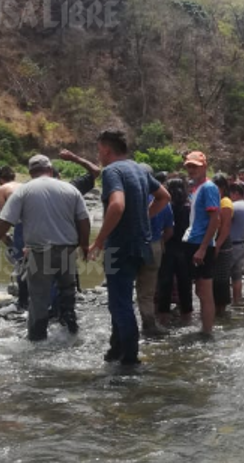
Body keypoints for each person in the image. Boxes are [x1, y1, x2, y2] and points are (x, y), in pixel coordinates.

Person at [0, 155, 90, 341]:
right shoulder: (70, 189)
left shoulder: (24, 191)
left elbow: (5, 220)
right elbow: (84, 220)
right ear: (50, 170)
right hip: (67, 251)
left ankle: (37, 340)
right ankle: (71, 333)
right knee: (67, 292)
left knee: (39, 298)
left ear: (30, 173)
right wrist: (84, 245)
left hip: (40, 252)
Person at [90, 130, 170, 365]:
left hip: (120, 247)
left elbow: (116, 205)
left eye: (99, 151)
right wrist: (144, 216)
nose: (99, 155)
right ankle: (116, 349)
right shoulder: (139, 169)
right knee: (120, 300)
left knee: (120, 302)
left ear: (106, 149)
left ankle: (130, 358)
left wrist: (100, 239)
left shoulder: (112, 171)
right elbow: (164, 197)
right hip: (142, 245)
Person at [183, 151, 221, 336]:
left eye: (195, 166)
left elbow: (215, 219)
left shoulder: (209, 188)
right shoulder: (195, 188)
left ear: (204, 167)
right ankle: (204, 328)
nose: (191, 170)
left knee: (205, 292)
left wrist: (203, 248)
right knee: (199, 290)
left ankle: (207, 332)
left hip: (201, 244)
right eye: (189, 166)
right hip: (193, 241)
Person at [136, 164, 173, 338]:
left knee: (125, 287)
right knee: (148, 291)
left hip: (133, 245)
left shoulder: (133, 198)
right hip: (155, 245)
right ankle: (148, 324)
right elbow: (169, 230)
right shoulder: (164, 202)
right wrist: (160, 242)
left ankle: (124, 326)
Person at [157, 178, 194, 325]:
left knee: (164, 284)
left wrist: (161, 242)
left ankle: (163, 318)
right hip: (186, 248)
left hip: (168, 249)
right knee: (185, 284)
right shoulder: (189, 207)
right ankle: (187, 317)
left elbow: (166, 230)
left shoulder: (165, 206)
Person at [0, 166, 27, 309]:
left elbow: (4, 217)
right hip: (37, 226)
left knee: (20, 262)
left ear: (0, 180)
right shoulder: (25, 186)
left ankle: (23, 301)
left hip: (21, 227)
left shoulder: (3, 189)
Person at [211, 173, 235, 316]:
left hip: (222, 243)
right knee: (215, 278)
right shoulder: (216, 200)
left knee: (221, 279)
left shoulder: (225, 202)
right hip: (216, 241)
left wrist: (217, 245)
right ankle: (216, 310)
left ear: (223, 188)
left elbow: (226, 227)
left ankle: (221, 311)